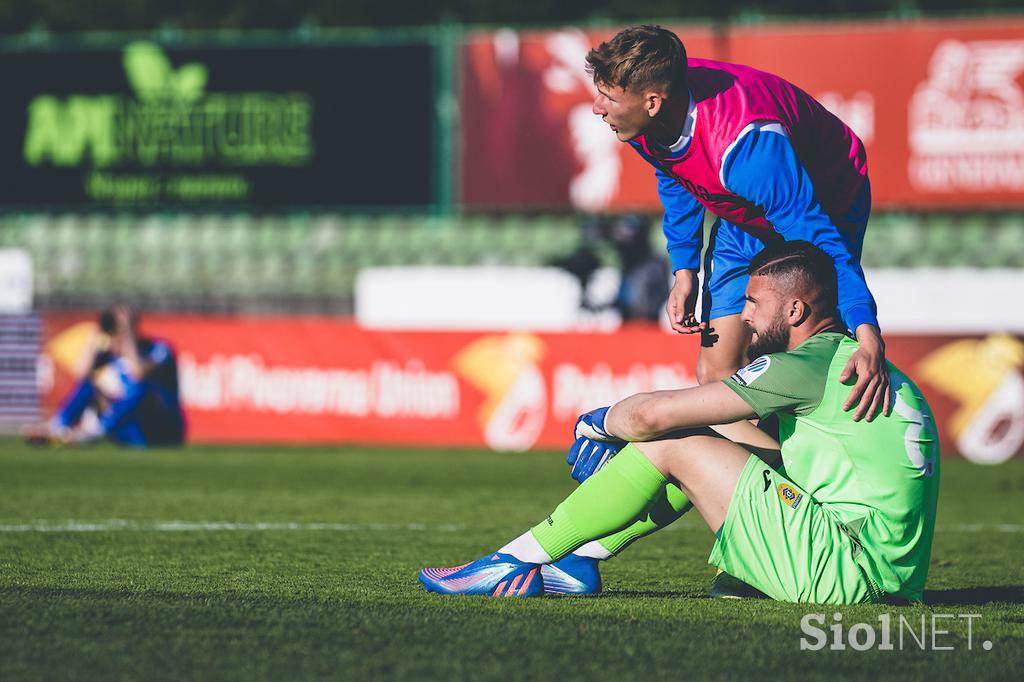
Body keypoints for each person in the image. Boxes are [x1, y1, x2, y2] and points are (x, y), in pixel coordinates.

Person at [419, 241, 939, 604]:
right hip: (885, 576)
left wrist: (598, 421)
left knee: (671, 442)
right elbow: (761, 453)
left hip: (847, 574)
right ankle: (583, 559)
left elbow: (650, 416)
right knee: (709, 438)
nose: (745, 314)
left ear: (797, 309)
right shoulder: (869, 365)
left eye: (754, 302)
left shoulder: (804, 366)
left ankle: (514, 560)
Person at [587, 25, 889, 421]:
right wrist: (684, 270)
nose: (597, 107)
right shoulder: (648, 114)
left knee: (805, 358)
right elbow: (675, 175)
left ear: (653, 103)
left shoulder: (747, 149)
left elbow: (821, 243)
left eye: (607, 97)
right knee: (716, 373)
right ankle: (766, 482)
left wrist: (869, 334)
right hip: (743, 216)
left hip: (824, 202)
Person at [29, 305, 185, 448]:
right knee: (91, 383)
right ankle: (58, 427)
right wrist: (97, 334)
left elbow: (139, 374)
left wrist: (127, 335)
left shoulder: (158, 349)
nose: (115, 333)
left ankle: (92, 432)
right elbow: (81, 374)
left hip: (160, 429)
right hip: (127, 428)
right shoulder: (109, 356)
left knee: (141, 388)